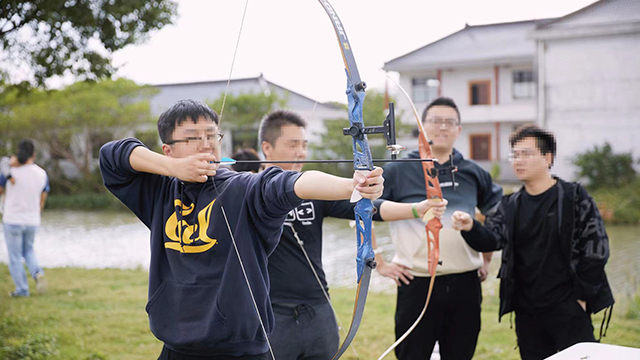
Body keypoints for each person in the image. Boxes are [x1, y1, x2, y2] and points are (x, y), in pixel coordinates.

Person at [98, 99, 384, 359]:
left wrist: (352, 185)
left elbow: (290, 184)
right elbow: (112, 155)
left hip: (240, 350)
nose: (205, 145)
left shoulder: (243, 186)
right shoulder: (159, 190)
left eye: (211, 136)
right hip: (176, 347)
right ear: (168, 149)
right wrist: (173, 169)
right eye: (192, 138)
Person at [257, 110, 446, 360]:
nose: (301, 152)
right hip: (270, 313)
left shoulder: (313, 189)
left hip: (318, 309)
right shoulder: (249, 191)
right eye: (293, 145)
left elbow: (368, 208)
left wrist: (416, 209)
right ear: (267, 148)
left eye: (304, 145)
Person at [451, 124, 614, 360]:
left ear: (547, 157)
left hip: (569, 307)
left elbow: (597, 248)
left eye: (526, 154)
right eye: (514, 155)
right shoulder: (510, 205)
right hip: (527, 312)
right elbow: (491, 240)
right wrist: (470, 226)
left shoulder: (574, 196)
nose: (518, 161)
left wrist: (582, 297)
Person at [376, 97, 502, 360]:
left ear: (459, 129)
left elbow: (497, 218)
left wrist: (486, 260)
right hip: (417, 282)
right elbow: (363, 212)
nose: (442, 127)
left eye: (449, 122)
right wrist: (379, 263)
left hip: (466, 282)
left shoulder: (473, 172)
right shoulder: (399, 169)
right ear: (422, 126)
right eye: (435, 121)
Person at [0, 140, 49, 297]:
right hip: (32, 219)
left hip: (12, 219)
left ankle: (22, 290)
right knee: (28, 250)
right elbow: (44, 194)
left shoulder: (10, 172)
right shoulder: (41, 173)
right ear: (34, 154)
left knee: (14, 256)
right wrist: (38, 210)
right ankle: (37, 272)